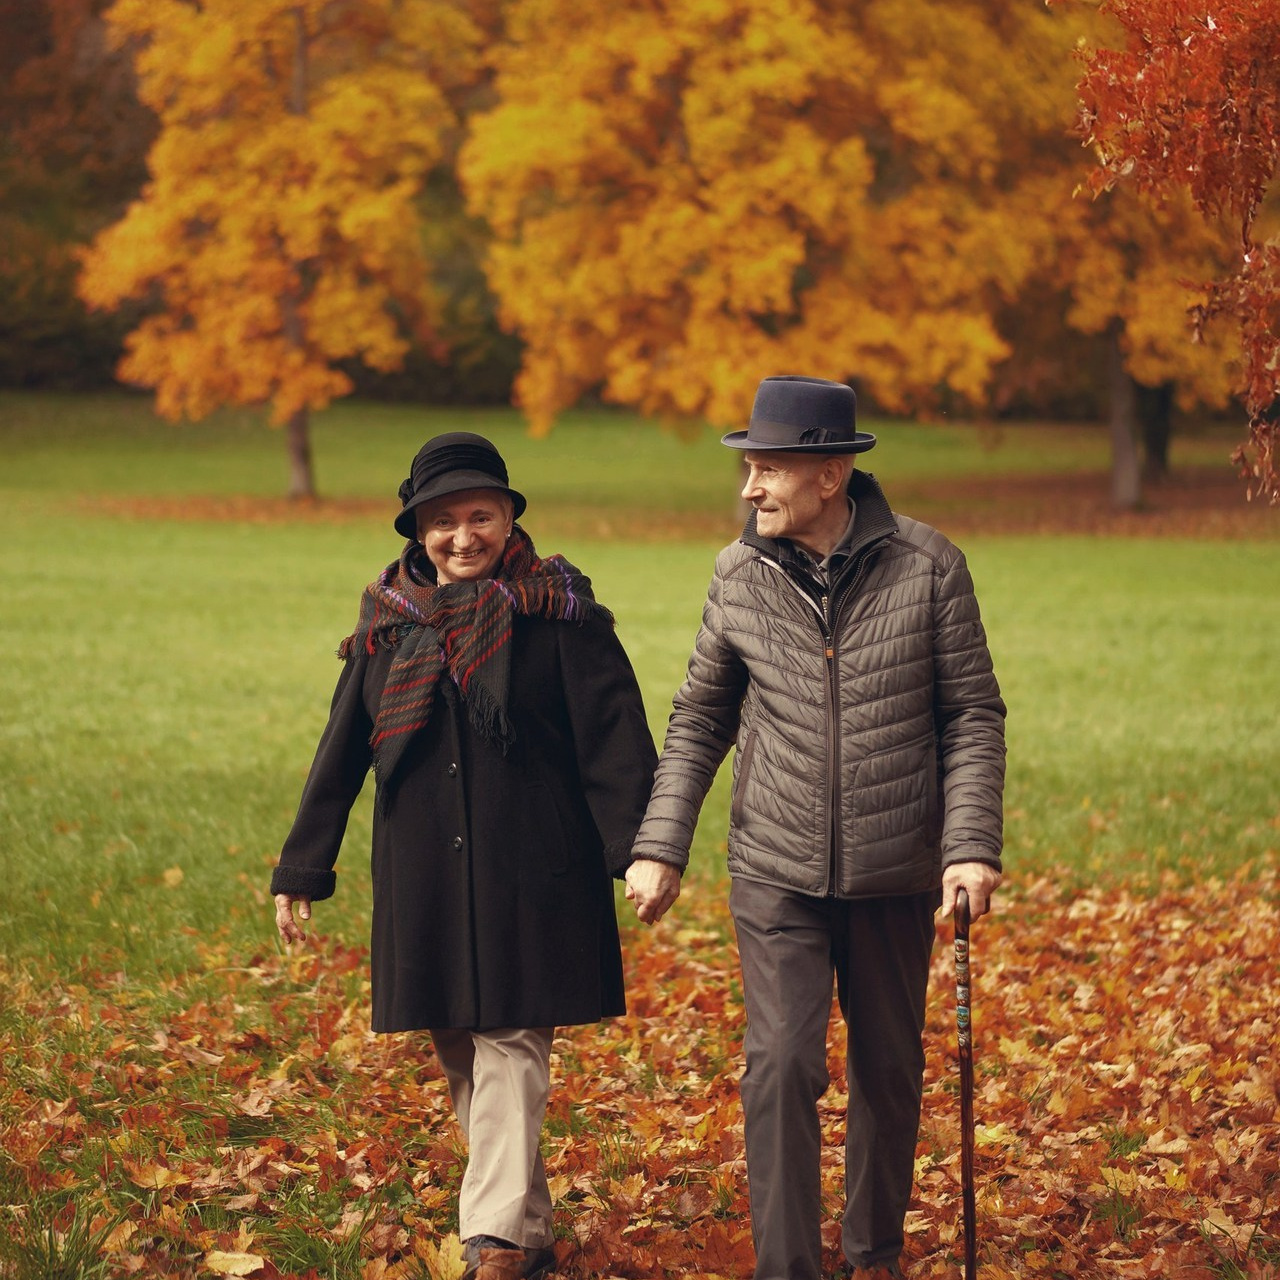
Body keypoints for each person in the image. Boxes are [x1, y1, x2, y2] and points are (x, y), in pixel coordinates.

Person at [625, 376, 1006, 1280]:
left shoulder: (929, 566)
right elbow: (700, 718)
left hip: (895, 866)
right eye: (748, 468)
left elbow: (973, 715)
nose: (749, 489)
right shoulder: (738, 573)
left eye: (766, 469)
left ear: (829, 476)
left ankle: (872, 1255)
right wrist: (659, 844)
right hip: (775, 867)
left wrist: (970, 845)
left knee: (887, 1071)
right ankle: (787, 1268)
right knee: (783, 1065)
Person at [271, 432, 657, 1280]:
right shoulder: (386, 626)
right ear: (418, 532)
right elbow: (341, 753)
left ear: (508, 516)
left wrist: (641, 853)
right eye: (443, 523)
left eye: (480, 516)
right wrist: (303, 868)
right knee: (461, 1048)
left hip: (537, 874)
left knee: (512, 1040)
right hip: (427, 877)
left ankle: (491, 1240)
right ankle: (531, 1231)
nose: (463, 537)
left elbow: (617, 743)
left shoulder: (562, 616)